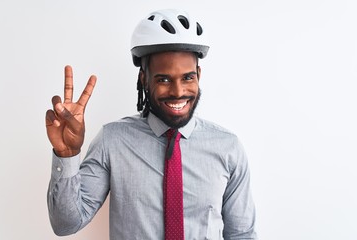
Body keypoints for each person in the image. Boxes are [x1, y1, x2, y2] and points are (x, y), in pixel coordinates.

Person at [46, 9, 257, 240]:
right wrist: (67, 154)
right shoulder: (112, 141)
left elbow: (242, 234)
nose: (178, 92)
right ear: (144, 78)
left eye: (188, 77)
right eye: (164, 79)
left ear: (198, 74)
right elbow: (65, 224)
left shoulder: (228, 148)